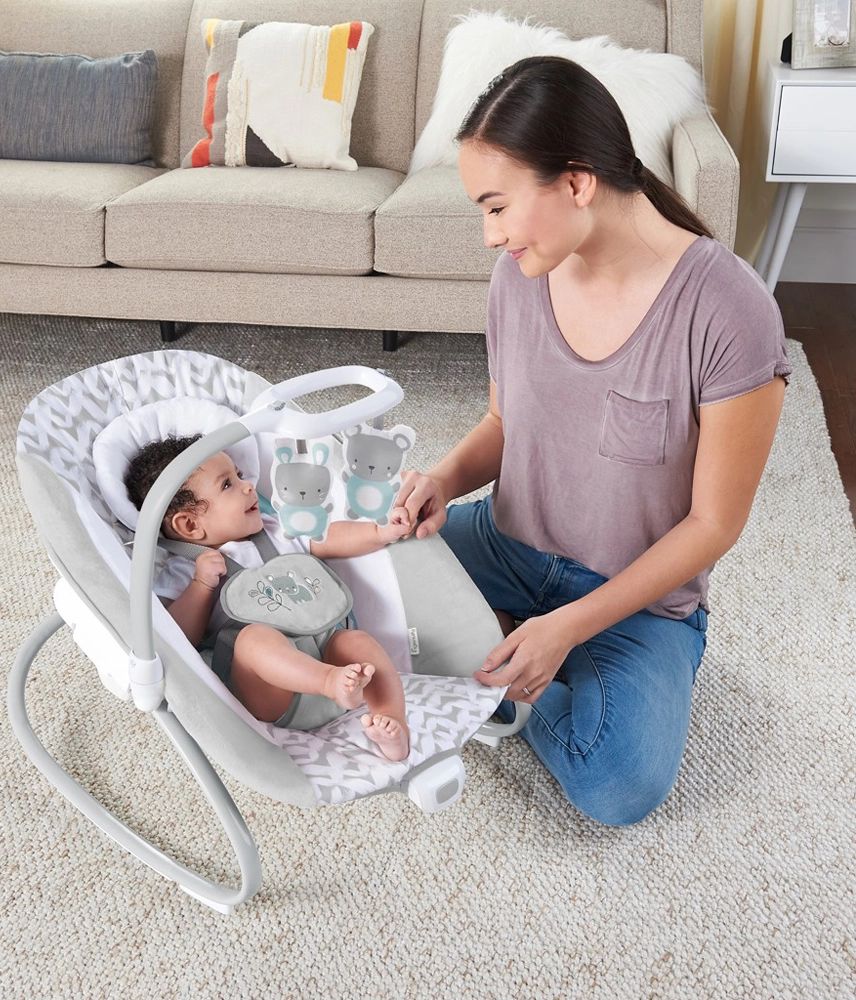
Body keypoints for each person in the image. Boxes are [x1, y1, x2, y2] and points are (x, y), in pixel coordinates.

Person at [395, 56, 791, 824]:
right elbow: (506, 424)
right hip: (509, 544)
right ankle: (507, 643)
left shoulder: (729, 310)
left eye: (497, 207)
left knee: (618, 782)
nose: (489, 236)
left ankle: (502, 657)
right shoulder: (520, 278)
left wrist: (568, 627)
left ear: (576, 182)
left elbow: (714, 525)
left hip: (637, 600)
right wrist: (441, 480)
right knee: (354, 569)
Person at [125, 436, 413, 761]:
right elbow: (174, 639)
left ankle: (393, 723)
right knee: (252, 639)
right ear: (190, 525)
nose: (248, 486)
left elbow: (327, 537)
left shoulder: (275, 531)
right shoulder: (184, 570)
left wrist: (377, 532)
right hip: (272, 693)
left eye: (239, 475)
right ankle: (328, 681)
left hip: (337, 665)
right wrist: (201, 585)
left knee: (356, 641)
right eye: (227, 485)